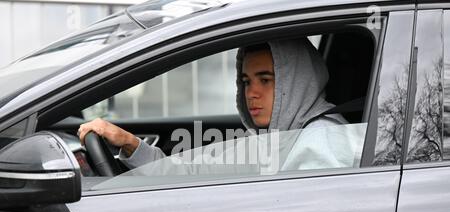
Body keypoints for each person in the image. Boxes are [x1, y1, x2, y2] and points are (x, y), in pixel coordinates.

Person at [78, 38, 363, 171]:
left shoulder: (322, 139)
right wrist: (130, 143)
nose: (252, 93)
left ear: (297, 82)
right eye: (246, 81)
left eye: (266, 80)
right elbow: (191, 172)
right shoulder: (271, 138)